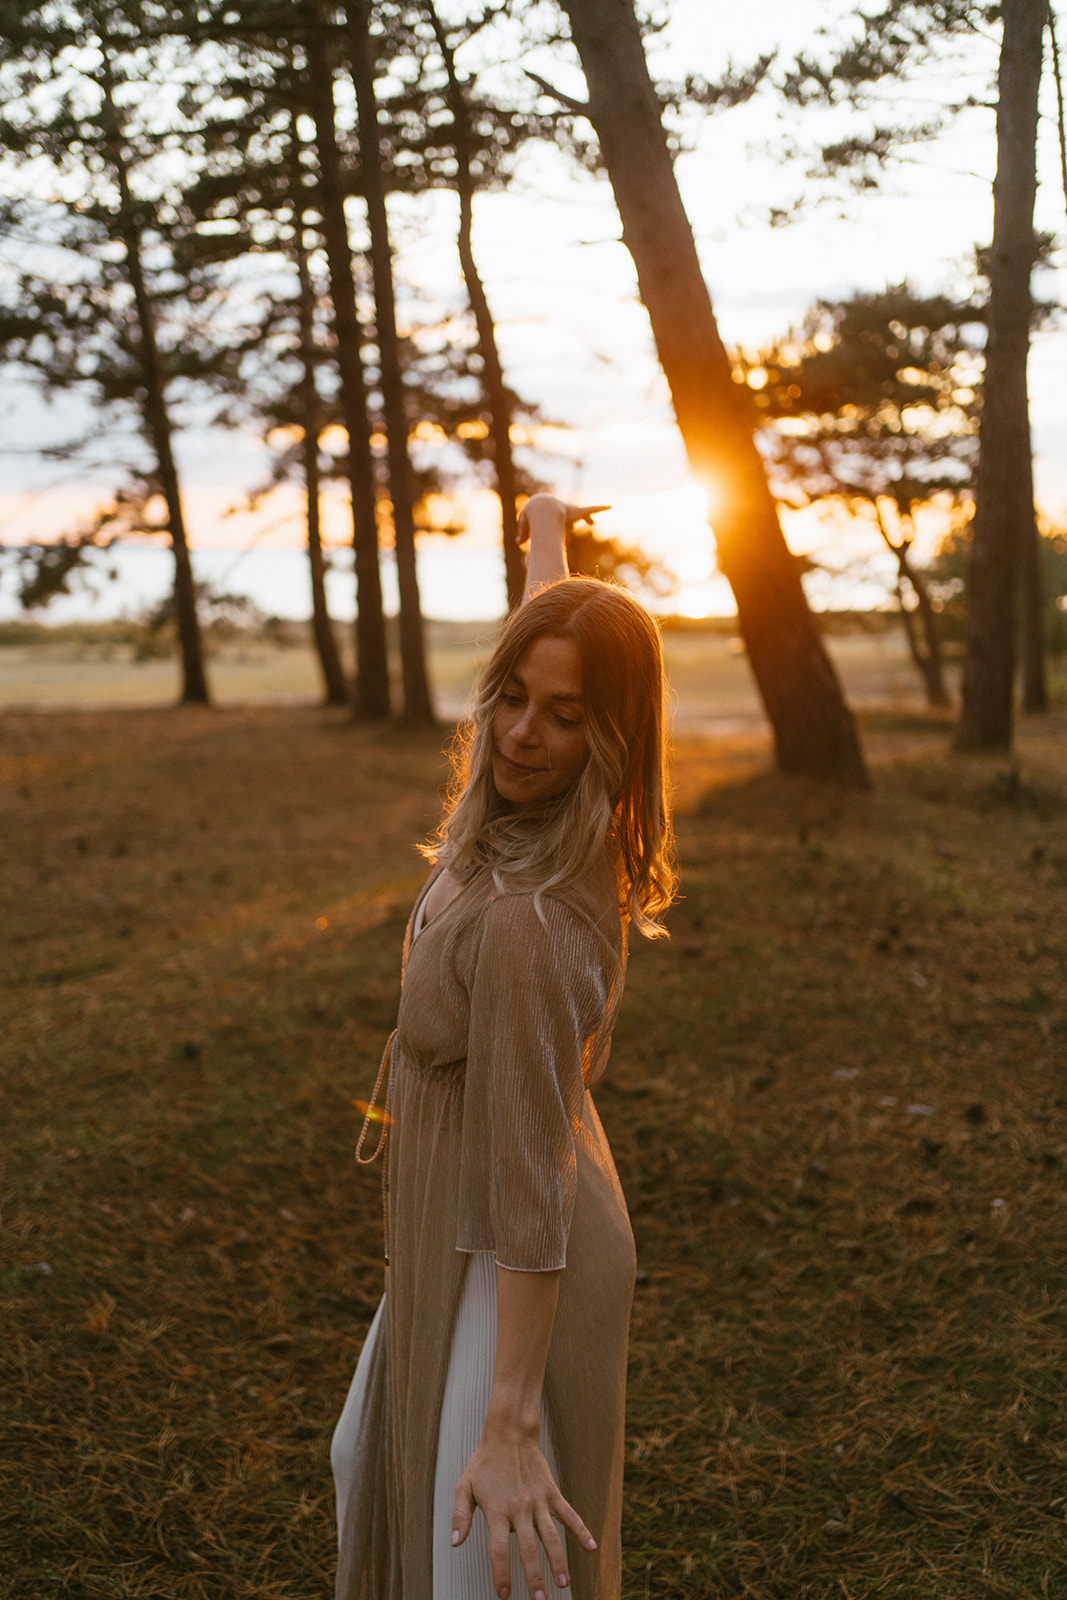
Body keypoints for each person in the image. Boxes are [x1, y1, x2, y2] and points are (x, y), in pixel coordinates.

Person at [331, 494, 676, 1600]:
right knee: (366, 1460)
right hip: (451, 1214)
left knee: (476, 1555)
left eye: (565, 717)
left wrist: (512, 1420)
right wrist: (544, 536)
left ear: (611, 739)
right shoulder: (520, 811)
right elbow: (548, 644)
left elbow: (528, 1179)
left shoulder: (529, 915)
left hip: (509, 1245)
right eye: (511, 696)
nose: (522, 733)